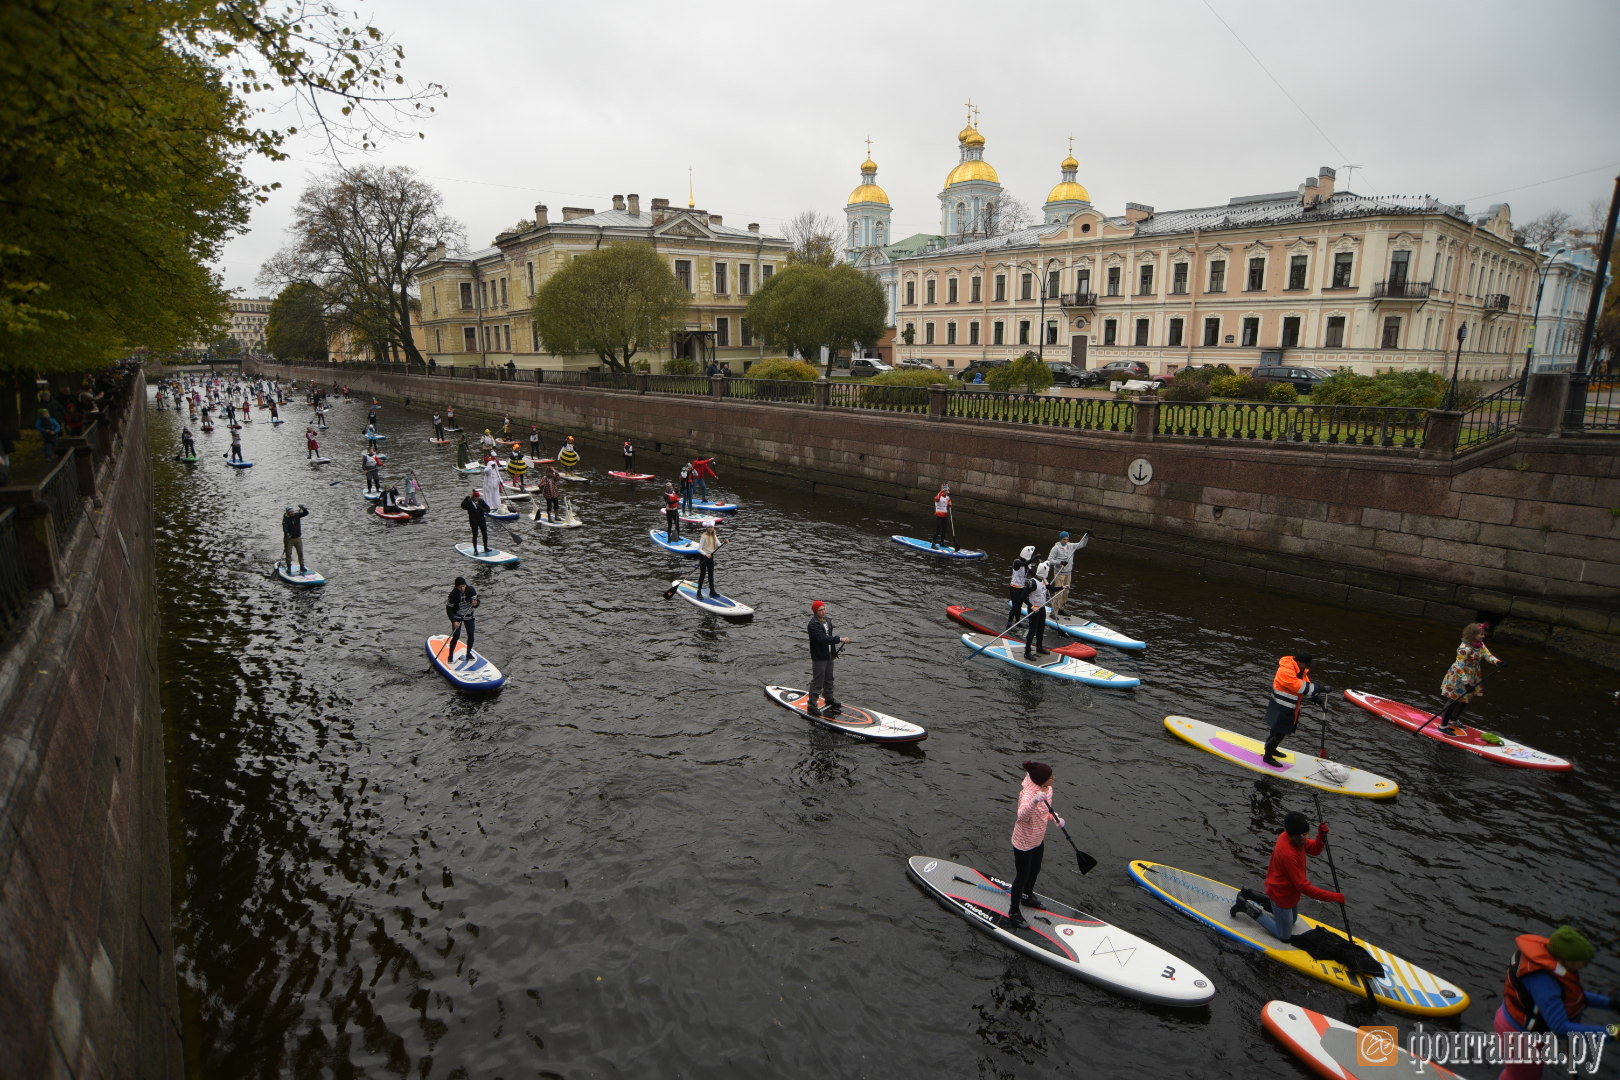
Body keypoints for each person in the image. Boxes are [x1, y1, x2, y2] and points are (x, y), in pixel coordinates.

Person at [1495, 925, 1618, 1080]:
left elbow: (1571, 996)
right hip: (1520, 1037)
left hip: (1515, 1025)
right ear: (1565, 959)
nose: (1585, 965)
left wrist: (1610, 1003)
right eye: (1582, 962)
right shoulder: (1543, 980)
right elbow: (1560, 1027)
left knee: (1515, 1074)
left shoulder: (1553, 967)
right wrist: (1612, 1033)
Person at [1229, 811, 1342, 942]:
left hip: (1290, 894)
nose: (1307, 837)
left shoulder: (1290, 837)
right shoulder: (1288, 854)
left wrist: (1321, 837)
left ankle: (1251, 894)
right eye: (1305, 835)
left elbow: (1314, 850)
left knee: (1292, 921)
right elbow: (1303, 886)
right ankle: (1246, 907)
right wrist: (1333, 897)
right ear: (1296, 836)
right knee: (1284, 935)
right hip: (1281, 896)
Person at [1005, 760, 1065, 930]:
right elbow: (1022, 817)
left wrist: (1055, 818)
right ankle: (1014, 912)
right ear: (1041, 780)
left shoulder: (1048, 789)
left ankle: (1027, 896)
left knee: (1036, 869)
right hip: (1023, 842)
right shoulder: (1028, 795)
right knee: (1022, 876)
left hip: (1038, 839)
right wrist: (1034, 802)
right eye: (1050, 776)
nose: (1054, 778)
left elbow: (1044, 811)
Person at [1261, 652, 1328, 766]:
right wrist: (1320, 688)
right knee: (1279, 733)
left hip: (1290, 707)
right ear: (1300, 662)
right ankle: (1267, 756)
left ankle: (1272, 749)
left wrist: (1316, 699)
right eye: (1307, 664)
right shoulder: (1286, 670)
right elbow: (1298, 686)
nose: (1308, 667)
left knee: (1278, 731)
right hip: (1281, 707)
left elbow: (1305, 686)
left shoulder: (1300, 671)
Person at [1437, 622, 1503, 736]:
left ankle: (1453, 720)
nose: (1483, 636)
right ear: (1472, 634)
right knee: (1453, 700)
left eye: (1483, 634)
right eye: (1481, 634)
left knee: (1465, 699)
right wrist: (1466, 684)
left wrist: (1498, 662)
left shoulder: (1480, 644)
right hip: (1459, 676)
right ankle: (1443, 726)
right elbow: (1459, 666)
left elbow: (1488, 655)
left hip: (1472, 674)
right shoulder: (1464, 648)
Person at [806, 600, 850, 718]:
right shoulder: (813, 625)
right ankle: (811, 705)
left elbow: (829, 638)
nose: (823, 612)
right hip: (819, 657)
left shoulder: (828, 621)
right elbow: (823, 639)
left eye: (824, 609)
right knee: (818, 682)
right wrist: (840, 639)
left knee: (829, 679)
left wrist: (834, 653)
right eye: (820, 610)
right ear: (815, 612)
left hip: (829, 655)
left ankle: (829, 699)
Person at [444, 577, 479, 663]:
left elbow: (477, 602)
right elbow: (449, 609)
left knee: (471, 634)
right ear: (456, 587)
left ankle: (468, 653)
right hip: (457, 616)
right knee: (456, 636)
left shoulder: (471, 590)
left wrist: (476, 603)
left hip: (469, 615)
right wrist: (454, 621)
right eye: (460, 587)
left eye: (463, 586)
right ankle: (450, 656)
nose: (462, 588)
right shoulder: (452, 595)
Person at [1024, 563, 1054, 660]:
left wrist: (1063, 588)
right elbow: (1022, 596)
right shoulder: (1032, 583)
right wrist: (1032, 606)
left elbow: (1051, 589)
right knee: (1032, 630)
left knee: (1041, 629)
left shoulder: (1044, 580)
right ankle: (1027, 652)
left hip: (1041, 608)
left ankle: (1039, 647)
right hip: (1034, 609)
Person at [1047, 530, 1081, 616]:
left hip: (1068, 573)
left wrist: (1087, 536)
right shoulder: (1055, 548)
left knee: (1066, 593)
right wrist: (1060, 562)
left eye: (1067, 539)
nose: (1066, 541)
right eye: (1064, 539)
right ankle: (1053, 612)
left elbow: (1081, 544)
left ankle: (1061, 609)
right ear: (1061, 539)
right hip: (1059, 573)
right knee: (1059, 593)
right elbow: (1049, 561)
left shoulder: (1071, 546)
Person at [1005, 545, 1036, 627]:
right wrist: (1034, 558)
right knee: (1015, 607)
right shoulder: (1017, 562)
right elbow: (1024, 563)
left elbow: (1033, 574)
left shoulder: (1027, 564)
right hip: (1014, 587)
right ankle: (1009, 623)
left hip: (1021, 587)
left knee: (1019, 606)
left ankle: (1017, 622)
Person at [281, 505, 310, 573]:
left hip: (297, 538)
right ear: (288, 513)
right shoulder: (285, 519)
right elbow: (285, 528)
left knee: (300, 553)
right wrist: (287, 533)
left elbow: (306, 513)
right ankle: (289, 567)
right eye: (290, 512)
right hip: (289, 539)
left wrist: (303, 508)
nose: (292, 513)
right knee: (288, 554)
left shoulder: (297, 515)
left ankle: (302, 566)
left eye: (293, 511)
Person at [460, 489, 491, 554]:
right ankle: (475, 550)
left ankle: (486, 547)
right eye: (477, 497)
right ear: (474, 497)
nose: (478, 498)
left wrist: (484, 510)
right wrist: (465, 500)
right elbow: (462, 506)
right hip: (473, 521)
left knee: (484, 533)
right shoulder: (469, 502)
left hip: (481, 520)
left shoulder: (481, 501)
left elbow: (488, 509)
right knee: (475, 535)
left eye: (478, 497)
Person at [696, 526, 722, 597]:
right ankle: (699, 592)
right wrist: (706, 554)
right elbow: (699, 549)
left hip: (711, 557)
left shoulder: (714, 535)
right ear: (706, 528)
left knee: (711, 575)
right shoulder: (704, 536)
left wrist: (725, 542)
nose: (711, 528)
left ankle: (712, 591)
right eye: (709, 527)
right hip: (704, 557)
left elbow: (719, 544)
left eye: (712, 527)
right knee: (702, 575)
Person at [930, 483, 953, 548]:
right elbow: (937, 499)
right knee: (938, 529)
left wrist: (950, 505)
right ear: (943, 491)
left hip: (945, 515)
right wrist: (941, 490)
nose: (948, 492)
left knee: (944, 529)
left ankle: (942, 542)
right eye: (946, 491)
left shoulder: (948, 498)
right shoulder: (938, 496)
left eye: (948, 491)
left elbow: (949, 505)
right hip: (938, 515)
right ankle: (933, 543)